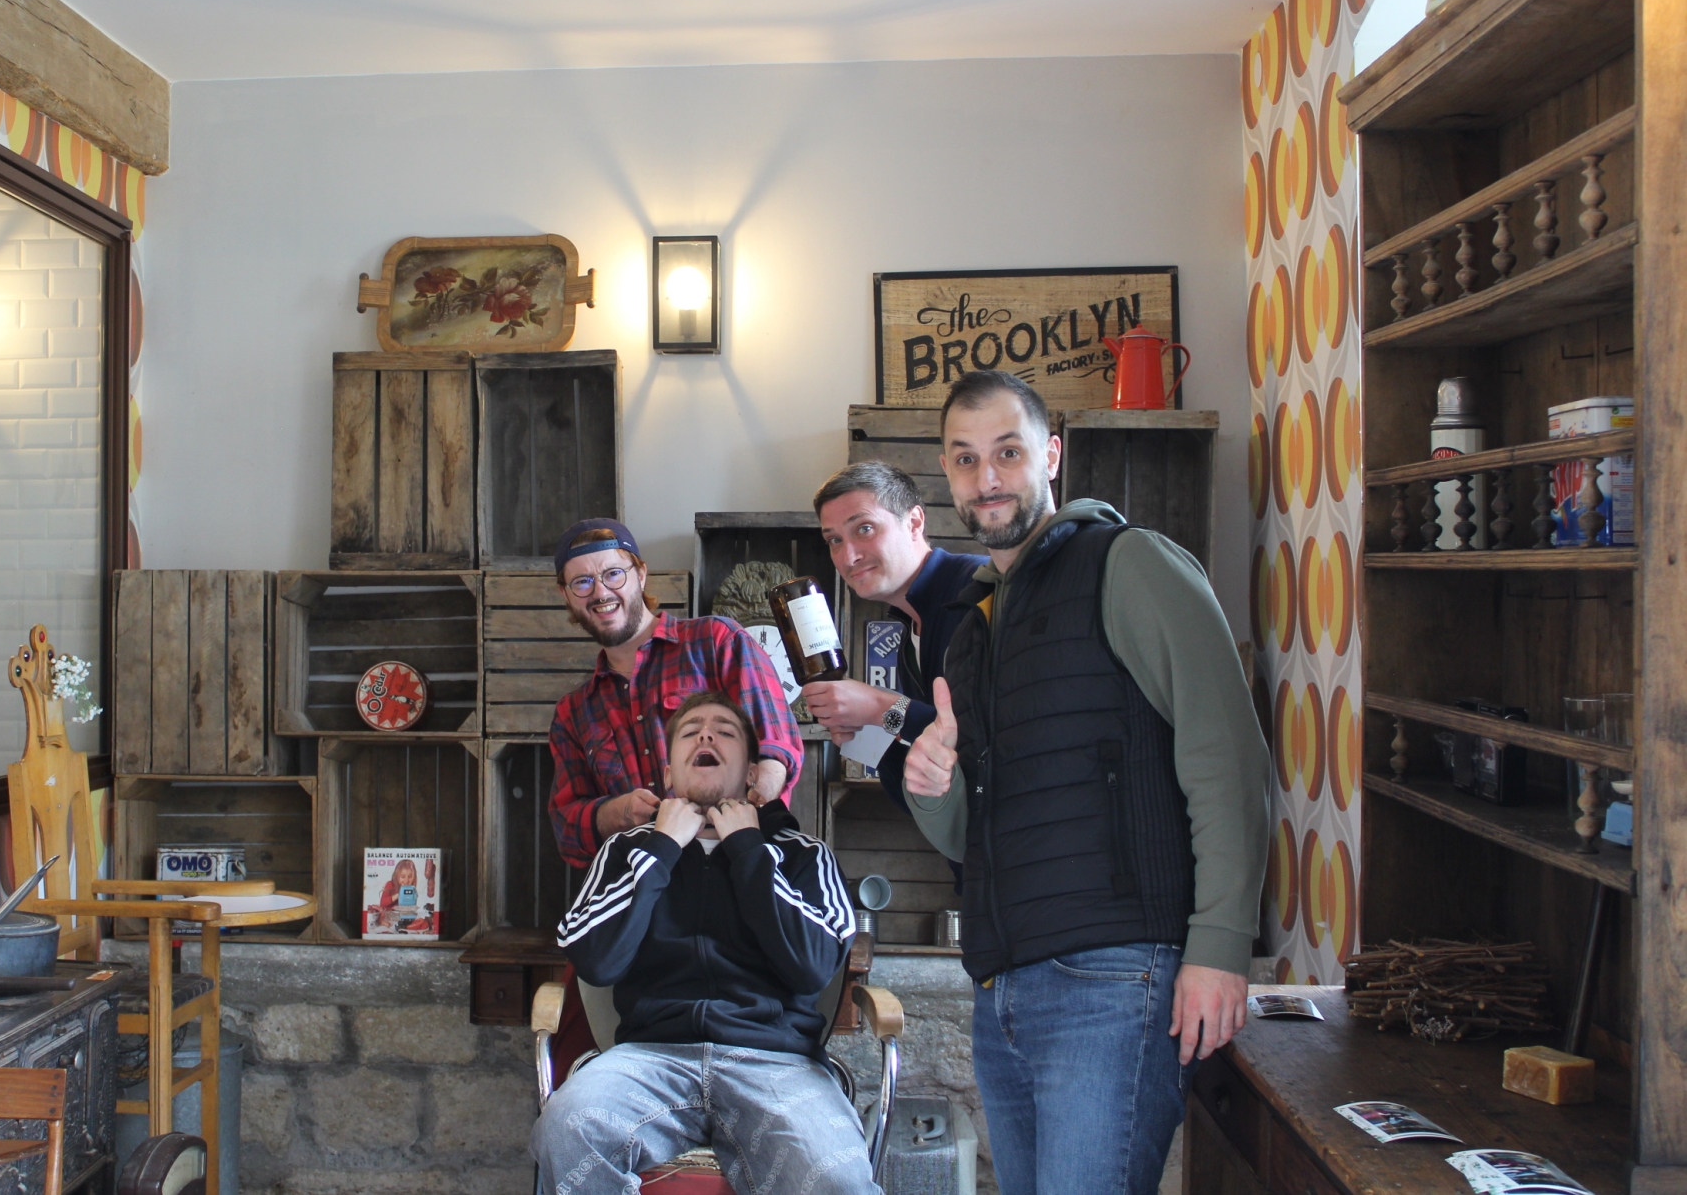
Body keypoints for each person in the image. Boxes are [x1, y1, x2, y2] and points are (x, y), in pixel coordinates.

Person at [900, 369, 1271, 1195]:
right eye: (965, 458)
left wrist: (1219, 946)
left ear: (1051, 456)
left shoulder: (1128, 564)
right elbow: (971, 833)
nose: (987, 477)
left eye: (1008, 452)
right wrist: (932, 787)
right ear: (947, 473)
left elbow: (1227, 755)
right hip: (1003, 988)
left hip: (1115, 980)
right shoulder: (973, 633)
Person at [534, 692, 874, 1195]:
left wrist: (749, 850)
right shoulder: (626, 850)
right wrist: (661, 849)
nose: (706, 735)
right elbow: (596, 960)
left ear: (753, 773)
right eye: (691, 731)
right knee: (567, 1130)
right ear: (668, 774)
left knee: (839, 1178)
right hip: (650, 1058)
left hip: (776, 1064)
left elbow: (813, 967)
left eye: (724, 732)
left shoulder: (804, 855)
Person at [546, 518, 804, 867]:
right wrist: (618, 812)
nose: (601, 592)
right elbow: (566, 831)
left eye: (613, 574)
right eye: (582, 582)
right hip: (642, 885)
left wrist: (756, 805)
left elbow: (777, 745)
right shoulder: (573, 713)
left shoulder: (717, 641)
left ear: (640, 574)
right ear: (565, 595)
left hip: (739, 869)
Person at [805, 461, 985, 818]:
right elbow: (926, 797)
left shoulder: (977, 590)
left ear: (914, 522)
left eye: (865, 528)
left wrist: (880, 707)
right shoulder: (909, 634)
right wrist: (865, 734)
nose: (849, 556)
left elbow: (990, 742)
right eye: (834, 540)